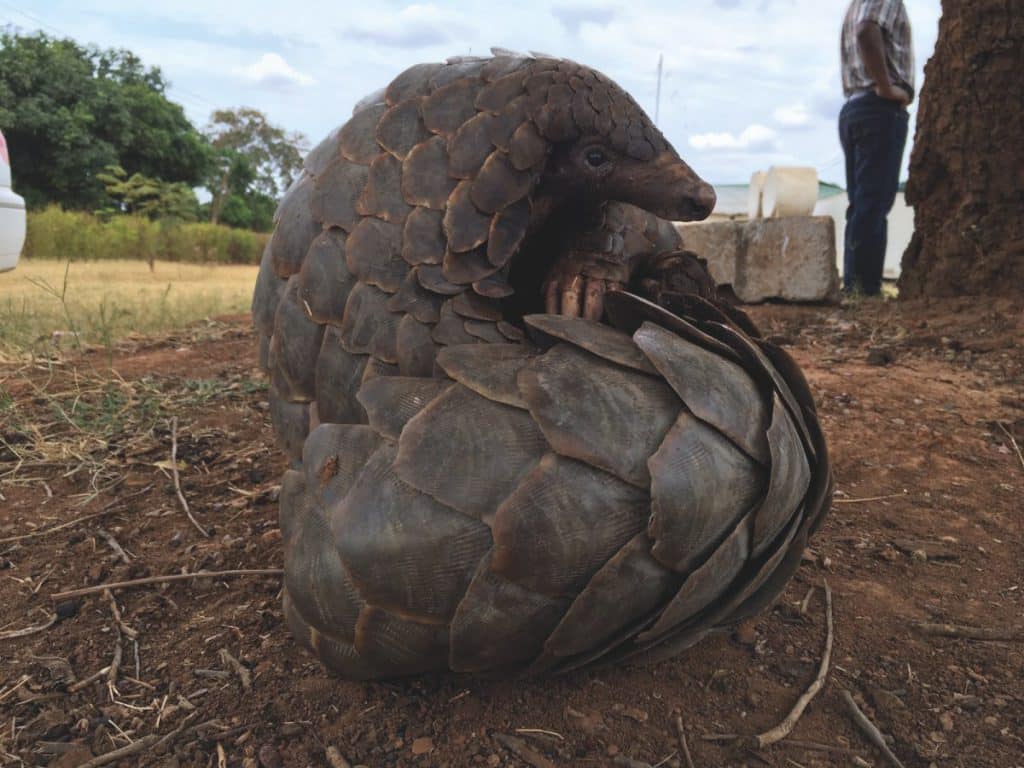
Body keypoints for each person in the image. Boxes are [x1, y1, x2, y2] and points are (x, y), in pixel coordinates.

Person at [839, 0, 914, 295]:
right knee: (872, 203)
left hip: (855, 108)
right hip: (878, 108)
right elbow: (866, 31)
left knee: (862, 204)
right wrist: (885, 86)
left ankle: (856, 286)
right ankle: (863, 290)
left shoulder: (855, 4)